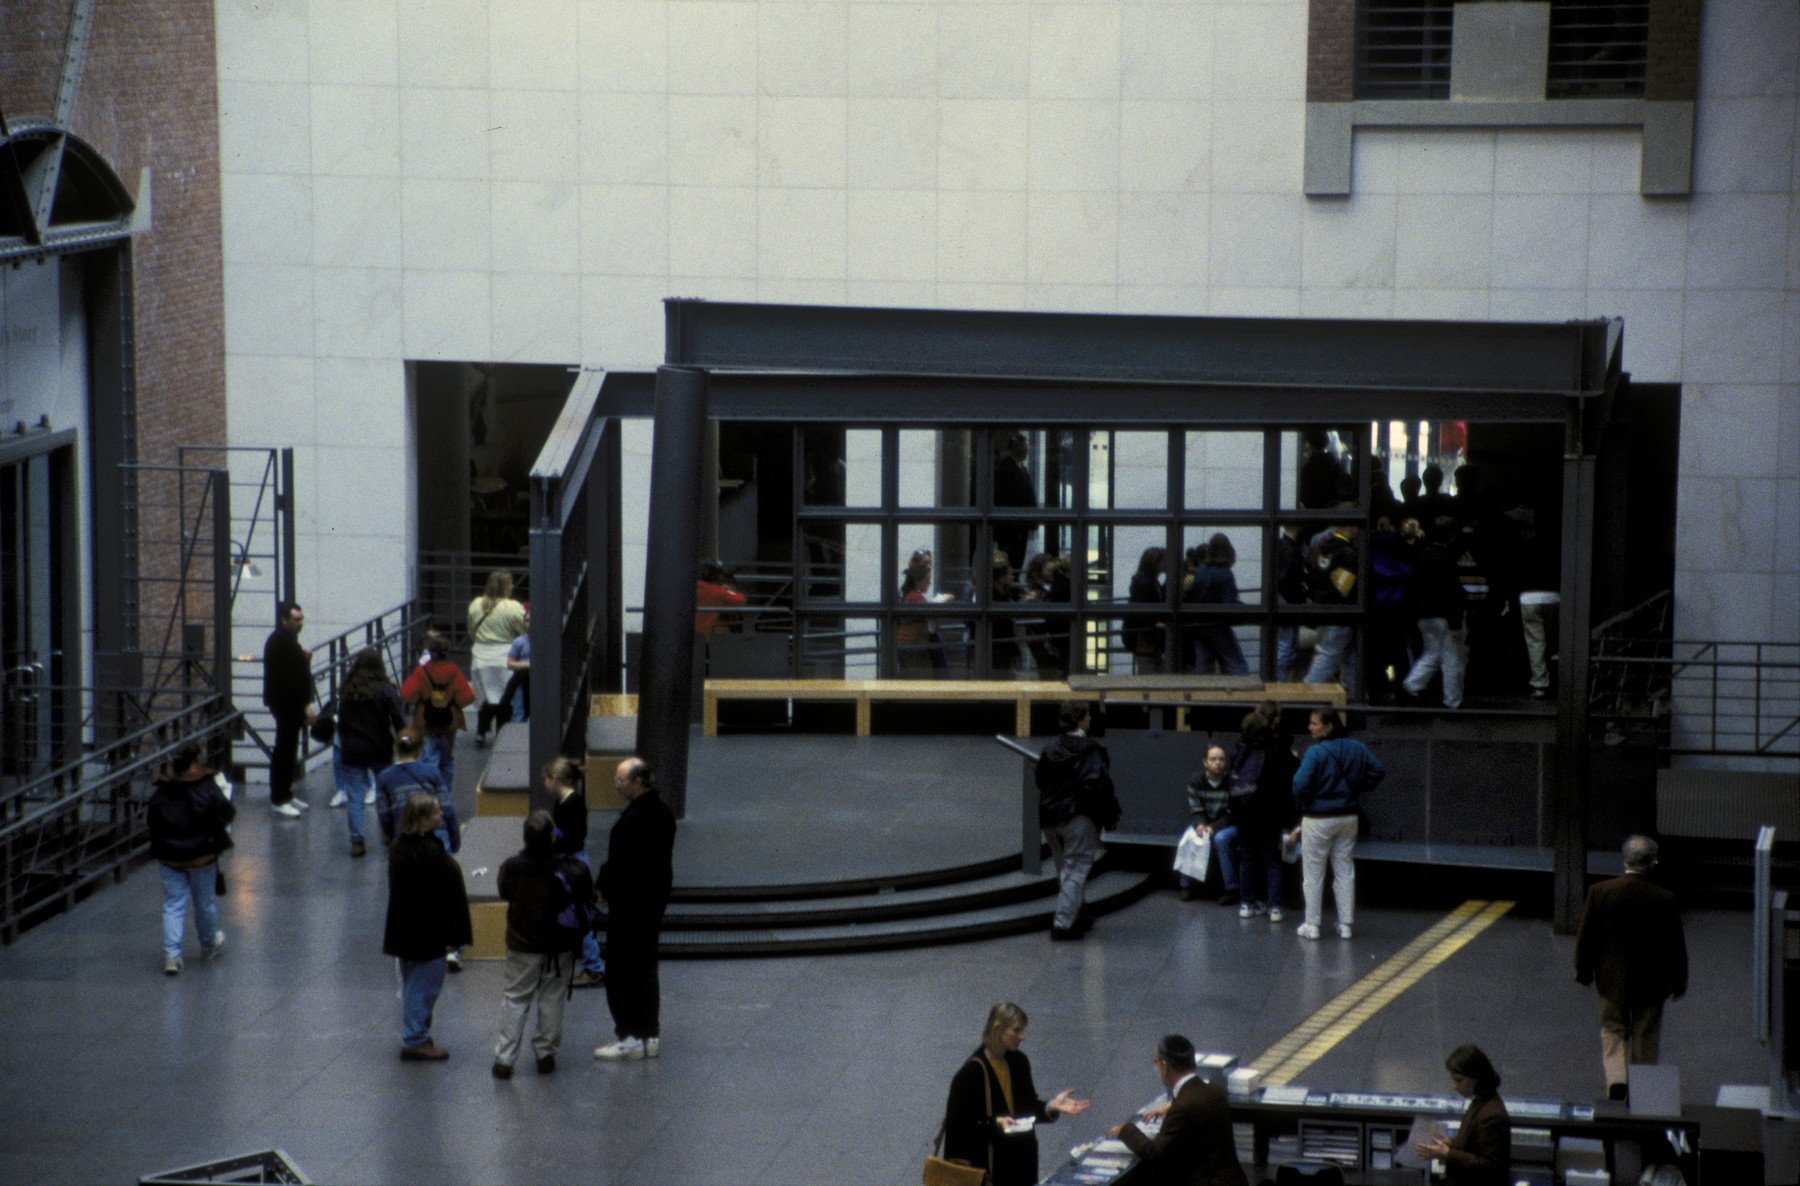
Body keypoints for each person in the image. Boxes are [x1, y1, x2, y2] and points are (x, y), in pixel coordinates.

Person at [1574, 835, 1687, 1100]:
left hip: (1611, 980)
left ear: (1624, 860)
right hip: (1652, 983)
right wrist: (1678, 982)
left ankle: (1616, 1079)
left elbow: (1586, 937)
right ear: (1653, 863)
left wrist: (1583, 973)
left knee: (1612, 1029)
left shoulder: (1600, 892)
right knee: (1645, 1035)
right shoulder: (1665, 898)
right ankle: (1643, 1088)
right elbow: (1675, 946)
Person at [940, 1002, 1089, 1186]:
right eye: (1016, 1030)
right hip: (991, 1172)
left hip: (1020, 1165)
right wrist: (995, 1123)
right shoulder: (971, 1074)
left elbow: (1026, 1108)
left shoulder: (1019, 1062)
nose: (1022, 1036)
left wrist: (1050, 1107)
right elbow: (959, 1127)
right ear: (997, 1029)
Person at [492, 810, 589, 1079]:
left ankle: (504, 1058)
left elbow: (504, 892)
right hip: (559, 947)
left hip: (522, 945)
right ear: (551, 837)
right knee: (552, 998)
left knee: (515, 999)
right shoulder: (569, 868)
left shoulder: (511, 867)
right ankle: (545, 1054)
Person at [594, 757, 677, 1062]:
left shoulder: (632, 820)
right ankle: (649, 1034)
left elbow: (620, 862)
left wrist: (603, 886)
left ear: (638, 782)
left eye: (621, 780)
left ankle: (629, 1035)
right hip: (652, 903)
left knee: (620, 971)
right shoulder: (664, 814)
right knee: (645, 968)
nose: (617, 785)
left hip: (628, 906)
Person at [382, 792, 472, 1061]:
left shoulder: (400, 848)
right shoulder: (428, 854)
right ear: (422, 818)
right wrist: (452, 934)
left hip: (405, 931)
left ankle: (416, 1031)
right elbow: (440, 897)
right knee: (424, 986)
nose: (441, 815)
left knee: (412, 983)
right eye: (435, 812)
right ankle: (415, 1039)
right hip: (427, 934)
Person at [1288, 709, 1384, 940]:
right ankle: (1346, 924)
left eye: (1314, 723)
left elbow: (1299, 785)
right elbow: (1378, 771)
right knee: (1344, 870)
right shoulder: (1357, 748)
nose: (1310, 728)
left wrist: (1311, 797)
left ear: (1328, 726)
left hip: (1317, 818)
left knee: (1313, 872)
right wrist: (1360, 787)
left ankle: (1312, 925)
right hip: (1349, 816)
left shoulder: (1315, 752)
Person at [1109, 1034, 1249, 1186]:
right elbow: (1197, 1110)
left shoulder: (1182, 1107)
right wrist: (1173, 1105)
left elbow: (1155, 1154)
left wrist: (1126, 1129)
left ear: (1164, 1065)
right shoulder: (1216, 1092)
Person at [1035, 701, 1122, 941]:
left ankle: (1077, 912)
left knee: (1064, 868)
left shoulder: (1050, 747)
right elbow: (1098, 786)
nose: (1090, 719)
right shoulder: (1091, 751)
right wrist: (1111, 816)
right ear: (1082, 718)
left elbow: (1040, 780)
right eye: (1088, 715)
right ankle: (1063, 923)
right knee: (1076, 868)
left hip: (1050, 817)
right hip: (1078, 817)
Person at [146, 741, 236, 975]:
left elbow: (152, 818)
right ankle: (208, 943)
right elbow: (227, 812)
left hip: (168, 855)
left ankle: (172, 955)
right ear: (197, 761)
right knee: (204, 902)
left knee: (173, 903)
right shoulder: (207, 786)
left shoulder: (163, 788)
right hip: (201, 855)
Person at [326, 648, 406, 857]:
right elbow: (398, 717)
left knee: (355, 796)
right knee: (385, 793)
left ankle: (357, 840)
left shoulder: (347, 690)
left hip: (351, 749)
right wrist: (403, 740)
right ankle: (388, 833)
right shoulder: (385, 690)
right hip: (380, 747)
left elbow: (339, 718)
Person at [1231, 701, 1298, 922]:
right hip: (1271, 811)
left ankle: (1246, 904)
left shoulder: (1243, 743)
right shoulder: (1278, 746)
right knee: (1272, 860)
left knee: (1247, 858)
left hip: (1245, 810)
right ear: (1276, 719)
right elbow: (1289, 778)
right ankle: (1275, 907)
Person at [545, 756, 606, 989]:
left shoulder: (572, 804)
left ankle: (594, 968)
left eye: (546, 779)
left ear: (555, 780)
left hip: (572, 862)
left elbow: (569, 837)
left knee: (580, 916)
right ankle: (591, 965)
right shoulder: (565, 801)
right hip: (571, 860)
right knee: (578, 914)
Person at [1415, 1044, 1511, 1186]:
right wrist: (1452, 1145)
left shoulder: (1492, 1115)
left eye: (1459, 1080)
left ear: (1476, 1077)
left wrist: (1448, 1153)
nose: (1454, 1086)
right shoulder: (1481, 1102)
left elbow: (1491, 1168)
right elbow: (1475, 1149)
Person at [1401, 518, 1468, 709]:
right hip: (1444, 617)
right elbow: (1452, 593)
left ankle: (1410, 686)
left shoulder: (1423, 556)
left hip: (1424, 616)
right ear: (1451, 537)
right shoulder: (1446, 559)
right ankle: (1452, 701)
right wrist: (1455, 623)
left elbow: (1414, 589)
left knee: (1431, 654)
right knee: (1451, 659)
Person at [399, 631, 474, 794]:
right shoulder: (454, 671)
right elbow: (468, 697)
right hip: (449, 724)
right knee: (446, 761)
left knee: (428, 760)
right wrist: (452, 702)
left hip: (426, 724)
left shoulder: (421, 672)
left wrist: (422, 698)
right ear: (447, 652)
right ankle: (444, 795)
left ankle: (430, 796)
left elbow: (406, 694)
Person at [261, 600, 317, 817]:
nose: (300, 623)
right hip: (286, 704)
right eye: (296, 619)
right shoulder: (282, 643)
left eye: (301, 619)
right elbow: (293, 678)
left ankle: (284, 793)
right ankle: (279, 796)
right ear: (284, 620)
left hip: (286, 703)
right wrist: (305, 704)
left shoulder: (284, 641)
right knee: (284, 750)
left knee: (287, 749)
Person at [467, 571, 526, 747]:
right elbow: (523, 628)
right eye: (509, 583)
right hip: (503, 656)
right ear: (503, 586)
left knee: (486, 698)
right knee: (504, 700)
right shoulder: (513, 607)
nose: (512, 587)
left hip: (480, 655)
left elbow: (472, 630)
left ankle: (480, 732)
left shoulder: (476, 604)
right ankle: (501, 733)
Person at [1303, 523, 1362, 698]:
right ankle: (1304, 693)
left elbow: (1313, 575)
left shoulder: (1323, 547)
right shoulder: (1347, 552)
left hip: (1326, 608)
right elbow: (1343, 588)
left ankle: (1353, 697)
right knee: (1331, 655)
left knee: (1349, 657)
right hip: (1342, 612)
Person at [1180, 746, 1238, 906]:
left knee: (1220, 839)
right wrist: (1201, 825)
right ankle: (1186, 886)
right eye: (1213, 759)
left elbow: (1231, 813)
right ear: (1205, 762)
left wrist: (1214, 827)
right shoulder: (1195, 781)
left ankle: (1231, 889)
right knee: (1190, 835)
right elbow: (1196, 809)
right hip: (1205, 822)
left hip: (1228, 824)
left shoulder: (1232, 782)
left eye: (1221, 759)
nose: (1218, 763)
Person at [374, 728, 452, 846]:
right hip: (436, 834)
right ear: (420, 748)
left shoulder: (384, 777)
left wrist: (391, 835)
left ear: (396, 748)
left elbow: (384, 815)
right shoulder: (432, 772)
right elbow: (446, 809)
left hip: (404, 835)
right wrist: (454, 838)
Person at [1185, 533, 1249, 676]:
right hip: (1217, 625)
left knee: (1203, 666)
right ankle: (1244, 696)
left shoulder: (1201, 570)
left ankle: (1199, 696)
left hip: (1199, 625)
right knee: (1238, 665)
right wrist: (1245, 608)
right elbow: (1228, 602)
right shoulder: (1224, 573)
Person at [1127, 547, 1168, 674]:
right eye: (1164, 561)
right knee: (1149, 671)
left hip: (1146, 637)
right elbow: (1141, 611)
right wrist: (1154, 624)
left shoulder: (1146, 582)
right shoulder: (1146, 584)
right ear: (1156, 563)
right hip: (1146, 637)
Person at [695, 561, 747, 637]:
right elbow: (741, 600)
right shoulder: (717, 592)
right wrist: (727, 591)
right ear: (719, 577)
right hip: (708, 637)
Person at [502, 604, 531, 725]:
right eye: (527, 620)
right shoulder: (519, 642)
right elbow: (510, 663)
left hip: (538, 682)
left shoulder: (544, 641)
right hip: (521, 680)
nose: (529, 623)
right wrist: (528, 665)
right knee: (519, 712)